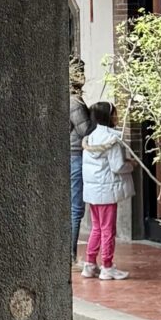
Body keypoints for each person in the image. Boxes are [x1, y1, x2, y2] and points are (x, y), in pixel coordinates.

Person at [80, 100, 131, 280]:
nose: (117, 116)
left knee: (97, 228)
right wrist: (131, 166)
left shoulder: (89, 138)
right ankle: (107, 267)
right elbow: (118, 166)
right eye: (115, 113)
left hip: (93, 192)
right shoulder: (112, 139)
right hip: (107, 191)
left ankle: (89, 264)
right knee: (108, 230)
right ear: (108, 116)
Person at [69, 59, 90, 261]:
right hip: (75, 155)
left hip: (69, 155)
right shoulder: (75, 102)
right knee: (76, 208)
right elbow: (85, 130)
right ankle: (71, 254)